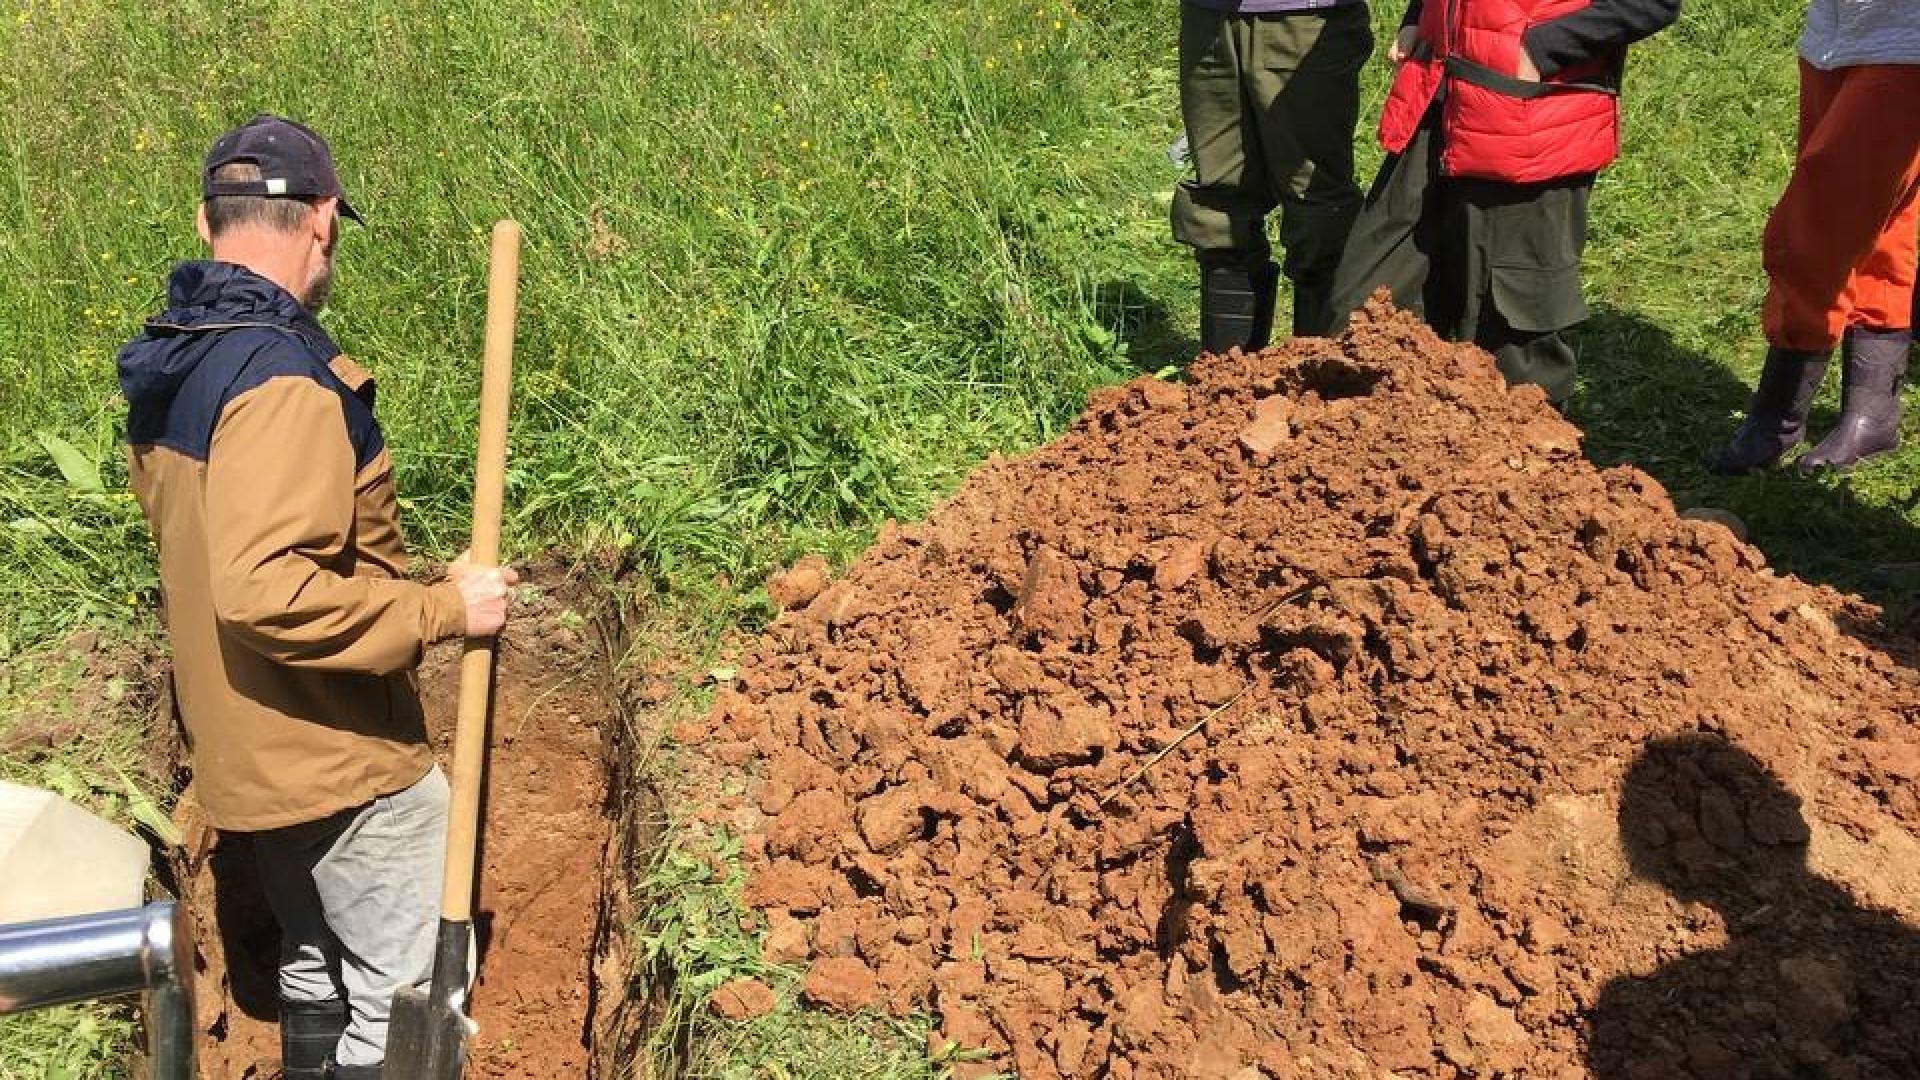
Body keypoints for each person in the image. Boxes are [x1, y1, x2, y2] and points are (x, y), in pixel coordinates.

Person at [117, 115, 515, 1080]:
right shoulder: (281, 379)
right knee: (406, 998)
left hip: (250, 748)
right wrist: (444, 609)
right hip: (339, 755)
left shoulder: (179, 357)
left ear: (208, 222)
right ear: (323, 219)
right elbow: (267, 591)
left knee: (316, 958)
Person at [1325, 0, 1679, 407]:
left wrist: (1542, 49)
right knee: (1366, 315)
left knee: (1511, 354)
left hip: (1529, 125)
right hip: (1436, 102)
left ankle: (1518, 446)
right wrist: (1419, 16)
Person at [1709, 1, 1920, 474]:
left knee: (1812, 232)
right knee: (1882, 221)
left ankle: (1778, 416)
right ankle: (1873, 412)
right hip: (1837, 29)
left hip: (1906, 37)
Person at [1171, 0, 1375, 352]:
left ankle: (1319, 371)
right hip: (1209, 19)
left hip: (1304, 19)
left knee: (1316, 203)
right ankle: (1226, 375)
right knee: (1219, 201)